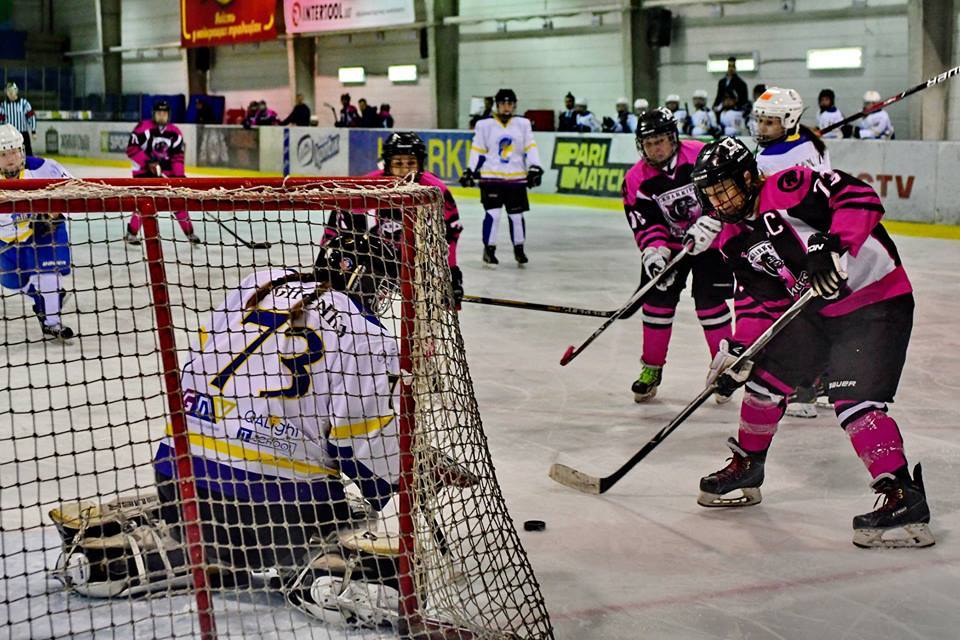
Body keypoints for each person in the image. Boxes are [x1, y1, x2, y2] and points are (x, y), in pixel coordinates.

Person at [50, 232, 478, 626]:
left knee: (215, 501)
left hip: (178, 475)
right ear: (368, 281)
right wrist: (411, 475)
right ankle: (320, 569)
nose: (383, 299)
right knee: (363, 517)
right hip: (276, 508)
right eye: (383, 288)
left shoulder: (263, 284)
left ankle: (142, 547)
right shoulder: (370, 337)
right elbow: (361, 444)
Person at [689, 136, 934, 549]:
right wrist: (739, 351)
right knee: (764, 380)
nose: (719, 200)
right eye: (710, 193)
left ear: (748, 177)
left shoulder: (786, 187)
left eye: (725, 188)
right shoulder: (731, 237)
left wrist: (832, 244)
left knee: (853, 399)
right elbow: (756, 299)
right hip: (816, 312)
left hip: (876, 300)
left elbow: (860, 197)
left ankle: (904, 495)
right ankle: (749, 465)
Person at [620, 109, 733, 403]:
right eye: (648, 142)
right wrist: (653, 251)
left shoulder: (701, 156)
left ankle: (725, 370)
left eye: (660, 140)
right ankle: (651, 370)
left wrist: (713, 220)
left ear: (673, 138)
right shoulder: (636, 179)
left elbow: (728, 194)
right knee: (657, 305)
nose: (655, 148)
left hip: (712, 242)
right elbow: (646, 223)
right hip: (671, 247)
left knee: (711, 304)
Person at [752, 87, 832, 419]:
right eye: (760, 121)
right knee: (821, 312)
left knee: (800, 317)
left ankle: (805, 390)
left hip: (796, 241)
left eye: (770, 123)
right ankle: (825, 381)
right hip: (821, 237)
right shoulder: (815, 143)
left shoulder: (769, 158)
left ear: (789, 121)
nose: (762, 129)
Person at [325, 132, 464, 308]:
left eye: (411, 163)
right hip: (378, 261)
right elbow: (339, 219)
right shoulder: (369, 185)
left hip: (418, 262)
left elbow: (450, 234)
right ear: (388, 164)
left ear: (420, 163)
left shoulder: (435, 189)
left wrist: (451, 273)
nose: (405, 171)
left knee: (424, 312)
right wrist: (329, 261)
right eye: (398, 163)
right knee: (357, 305)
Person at [0, 123, 74, 339]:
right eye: (4, 154)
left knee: (49, 275)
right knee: (15, 283)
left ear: (22, 150)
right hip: (6, 240)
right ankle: (43, 301)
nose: (11, 158)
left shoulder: (43, 168)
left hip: (42, 232)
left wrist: (55, 214)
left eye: (14, 151)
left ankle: (52, 322)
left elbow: (75, 189)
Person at [460, 88, 543, 266]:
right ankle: (489, 250)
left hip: (516, 179)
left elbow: (530, 147)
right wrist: (470, 170)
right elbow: (478, 150)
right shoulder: (484, 125)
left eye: (510, 104)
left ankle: (519, 249)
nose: (507, 107)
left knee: (516, 216)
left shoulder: (523, 124)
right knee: (494, 215)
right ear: (497, 105)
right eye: (503, 104)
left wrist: (535, 167)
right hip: (491, 178)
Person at [125, 100, 199, 244]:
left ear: (168, 115)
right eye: (159, 113)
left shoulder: (175, 132)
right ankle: (131, 234)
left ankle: (190, 233)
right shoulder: (143, 128)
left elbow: (177, 158)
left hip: (166, 172)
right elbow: (132, 149)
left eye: (164, 113)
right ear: (154, 114)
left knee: (177, 202)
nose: (161, 116)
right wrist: (148, 163)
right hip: (143, 172)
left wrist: (179, 178)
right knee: (145, 203)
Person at [0, 82, 36, 156]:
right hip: (9, 136)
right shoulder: (3, 106)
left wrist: (33, 131)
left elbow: (31, 117)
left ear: (16, 91)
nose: (10, 93)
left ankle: (28, 167)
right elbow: (1, 121)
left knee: (27, 154)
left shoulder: (24, 103)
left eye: (12, 91)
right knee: (11, 155)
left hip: (23, 133)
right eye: (8, 91)